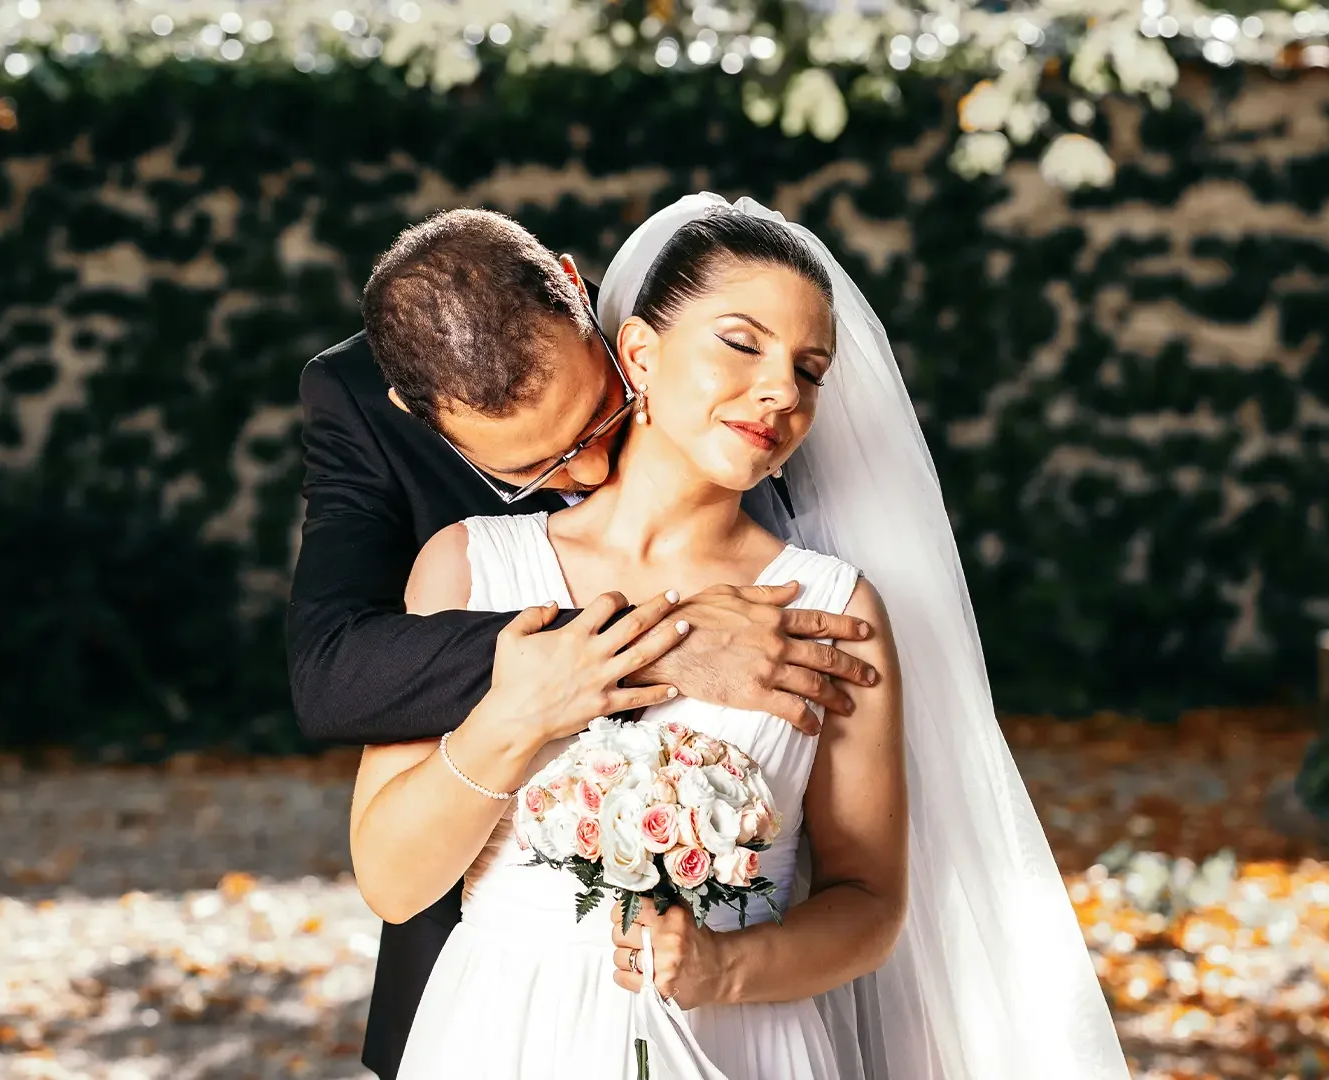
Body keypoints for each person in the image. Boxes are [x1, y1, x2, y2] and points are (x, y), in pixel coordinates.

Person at [348, 196, 1131, 1079]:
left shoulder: (837, 609)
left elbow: (868, 902)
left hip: (742, 1042)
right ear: (640, 351)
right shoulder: (465, 568)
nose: (781, 390)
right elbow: (391, 880)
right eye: (741, 341)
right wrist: (518, 713)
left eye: (810, 367)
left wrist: (728, 968)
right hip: (502, 1034)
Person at [285, 207, 884, 1080]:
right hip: (493, 1012)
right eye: (534, 471)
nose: (593, 470)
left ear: (594, 309)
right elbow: (335, 672)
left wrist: (733, 966)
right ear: (422, 417)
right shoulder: (449, 540)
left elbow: (868, 889)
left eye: (600, 418)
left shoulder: (715, 335)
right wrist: (644, 648)